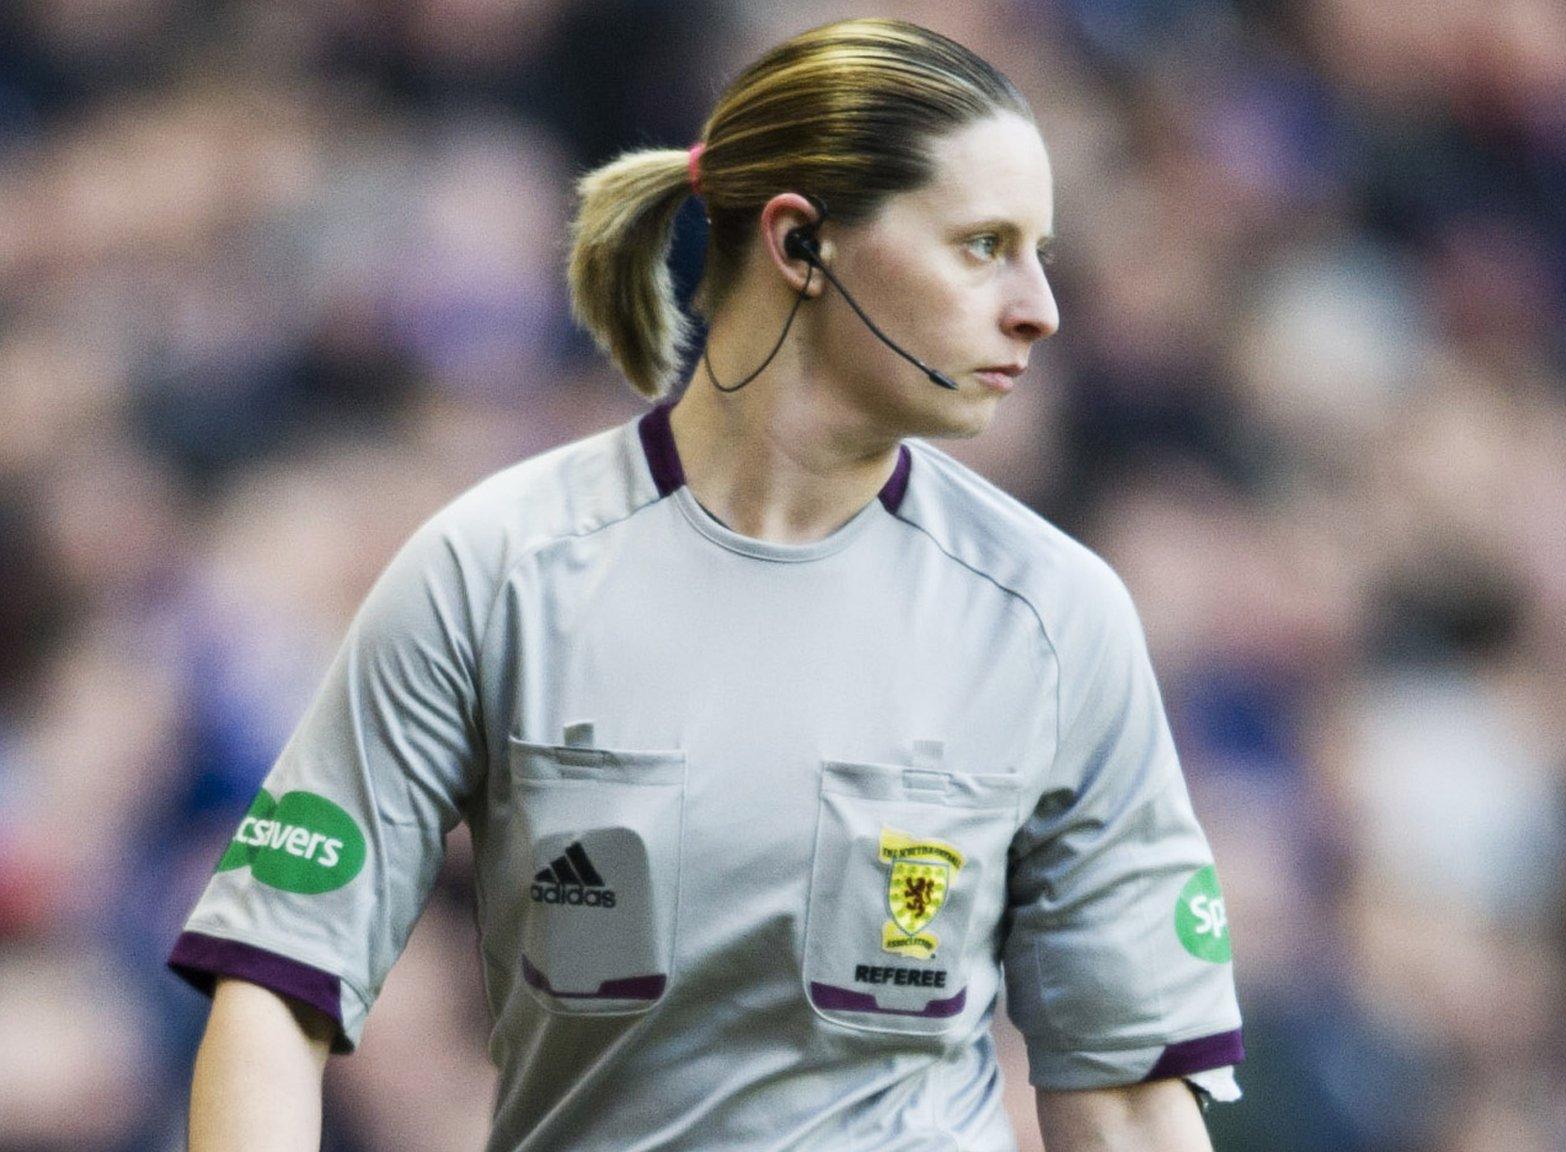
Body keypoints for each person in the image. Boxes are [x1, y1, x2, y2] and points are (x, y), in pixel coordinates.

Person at [171, 17, 1243, 1151]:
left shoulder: (1054, 617)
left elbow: (1123, 1092)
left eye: (1040, 252)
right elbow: (278, 987)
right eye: (982, 245)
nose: (1038, 305)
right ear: (799, 244)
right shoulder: (492, 571)